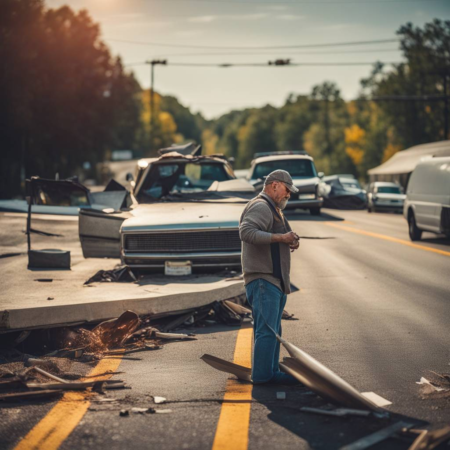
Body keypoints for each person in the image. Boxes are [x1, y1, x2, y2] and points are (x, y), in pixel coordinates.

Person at [239, 169, 300, 385]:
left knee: (272, 331)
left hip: (273, 281)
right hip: (263, 280)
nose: (288, 195)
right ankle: (264, 376)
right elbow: (246, 231)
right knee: (266, 332)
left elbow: (282, 236)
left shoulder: (273, 208)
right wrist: (281, 237)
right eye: (286, 190)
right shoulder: (261, 206)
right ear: (274, 185)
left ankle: (271, 372)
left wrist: (291, 240)